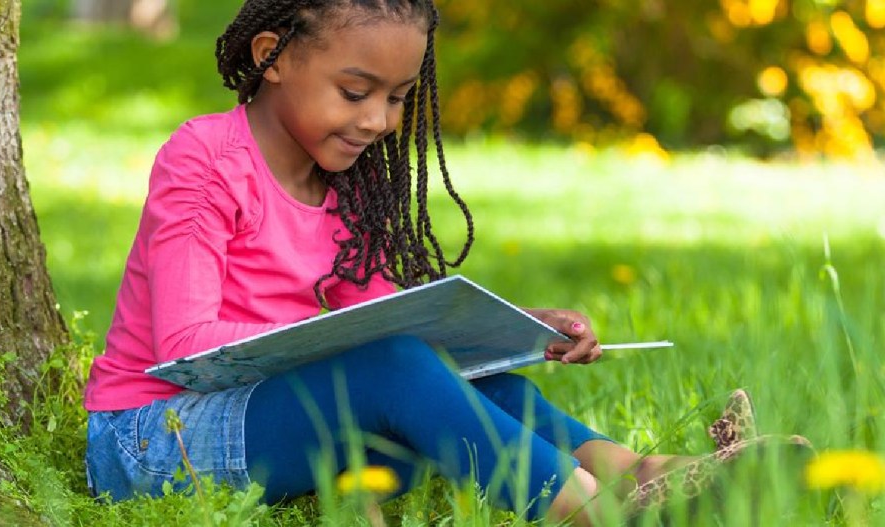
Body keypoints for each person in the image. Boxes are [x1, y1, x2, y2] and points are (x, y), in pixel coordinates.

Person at [82, 1, 766, 524]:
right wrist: (373, 352)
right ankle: (586, 507)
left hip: (266, 415)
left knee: (457, 379)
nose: (380, 120)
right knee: (395, 366)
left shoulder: (347, 181)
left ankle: (638, 469)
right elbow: (182, 344)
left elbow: (386, 318)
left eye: (398, 97)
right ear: (273, 55)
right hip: (151, 434)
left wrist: (516, 327)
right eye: (356, 93)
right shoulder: (204, 161)